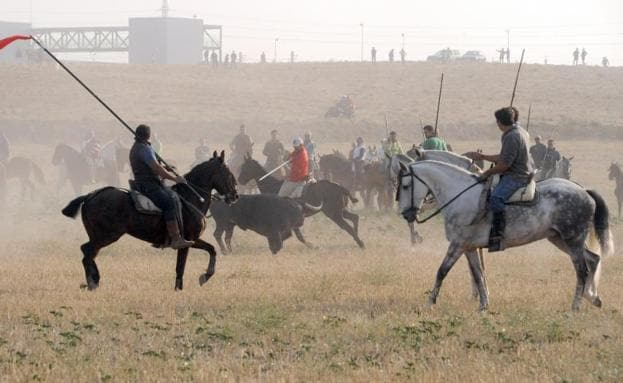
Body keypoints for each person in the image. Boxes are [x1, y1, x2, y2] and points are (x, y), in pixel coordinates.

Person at [465, 107, 532, 252]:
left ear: (500, 122)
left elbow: (504, 165)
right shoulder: (520, 131)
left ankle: (499, 234)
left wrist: (487, 173)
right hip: (519, 172)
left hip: (516, 176)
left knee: (495, 198)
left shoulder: (511, 136)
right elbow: (504, 156)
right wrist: (482, 157)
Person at [129, 124, 193, 249]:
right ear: (148, 135)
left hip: (143, 183)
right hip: (150, 185)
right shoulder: (144, 149)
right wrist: (175, 178)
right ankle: (175, 238)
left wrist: (166, 167)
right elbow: (156, 168)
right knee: (170, 202)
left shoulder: (136, 147)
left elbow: (153, 167)